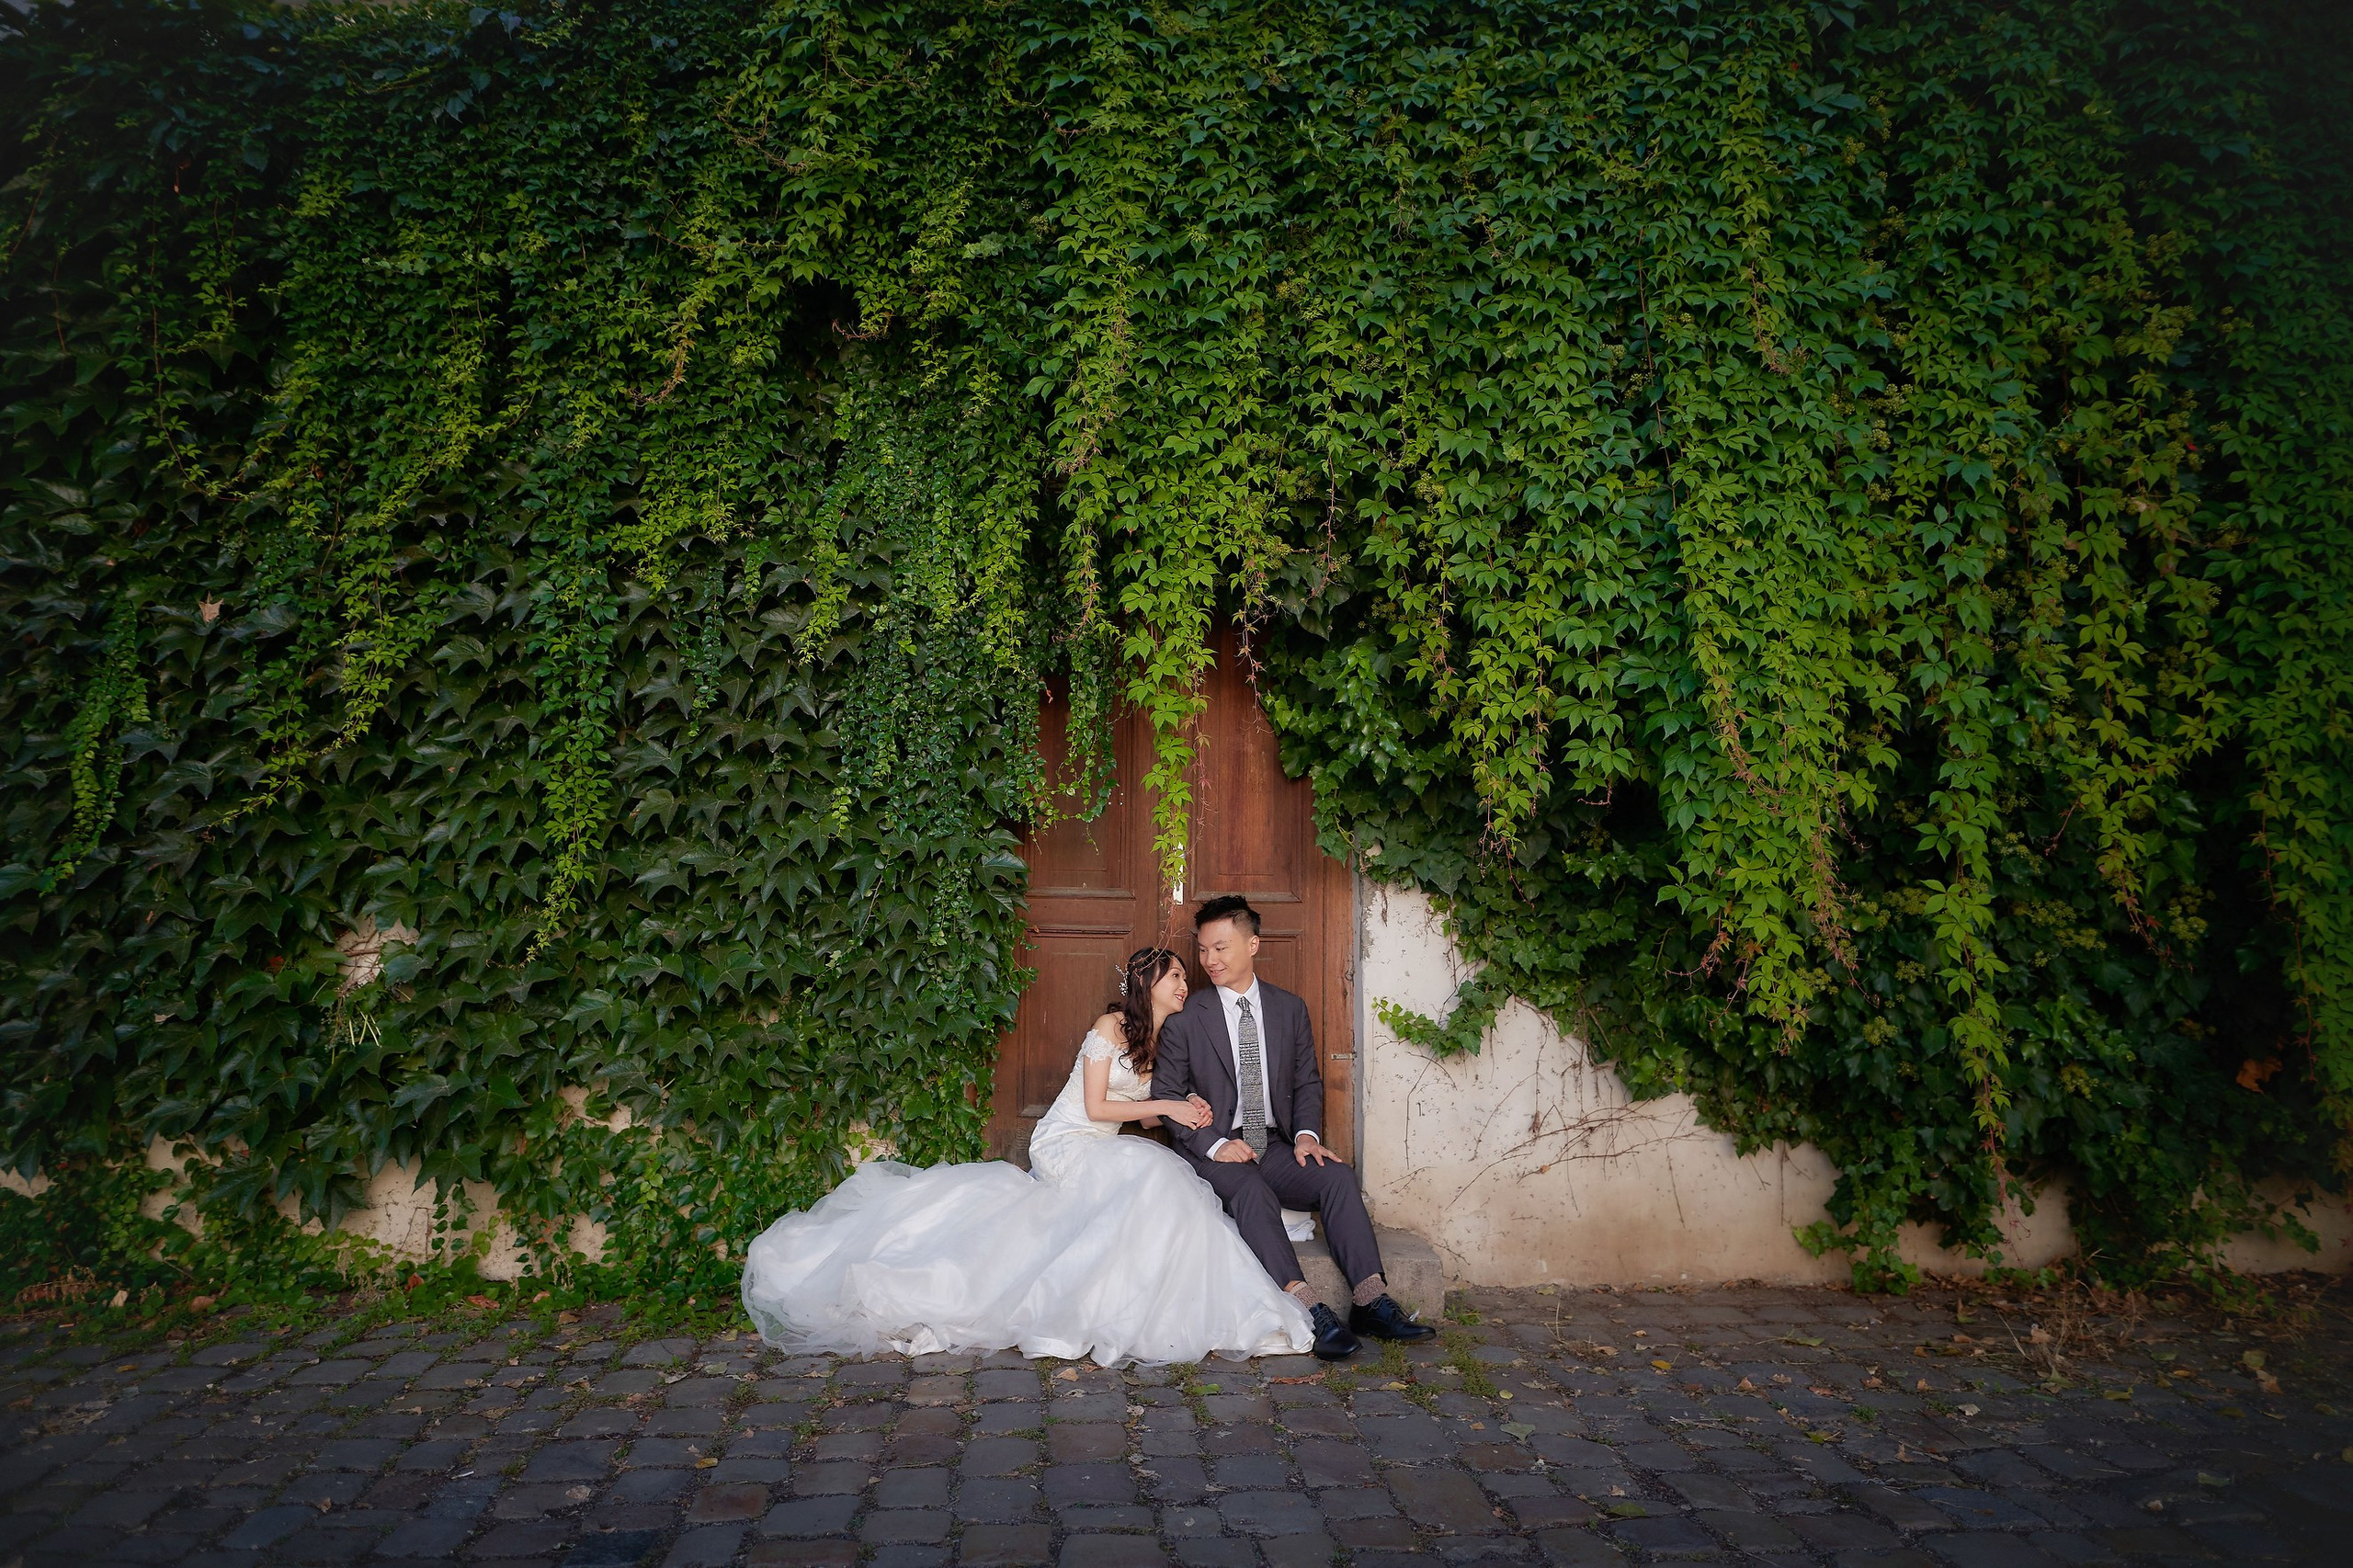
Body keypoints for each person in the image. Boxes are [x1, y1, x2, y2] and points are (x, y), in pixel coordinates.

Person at [739, 947, 1313, 1365]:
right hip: (1067, 1140)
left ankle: (1151, 1299)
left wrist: (1184, 1108)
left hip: (1105, 1145)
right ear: (1148, 984)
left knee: (1157, 1184)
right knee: (1153, 1175)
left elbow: (1143, 1114)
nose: (1185, 984)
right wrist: (1166, 1103)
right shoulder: (1111, 1026)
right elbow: (1095, 1106)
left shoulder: (1166, 1043)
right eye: (1175, 976)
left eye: (1185, 976)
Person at [1152, 893, 1438, 1360]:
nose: (1210, 960)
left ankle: (1370, 1302)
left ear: (1253, 944)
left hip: (1275, 1145)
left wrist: (1307, 1135)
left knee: (1337, 1176)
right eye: (1203, 950)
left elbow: (1307, 1081)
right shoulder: (1188, 1017)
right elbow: (1166, 1095)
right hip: (1215, 1149)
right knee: (1250, 1190)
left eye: (1221, 948)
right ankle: (1308, 1311)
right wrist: (1216, 1144)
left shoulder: (1289, 1009)